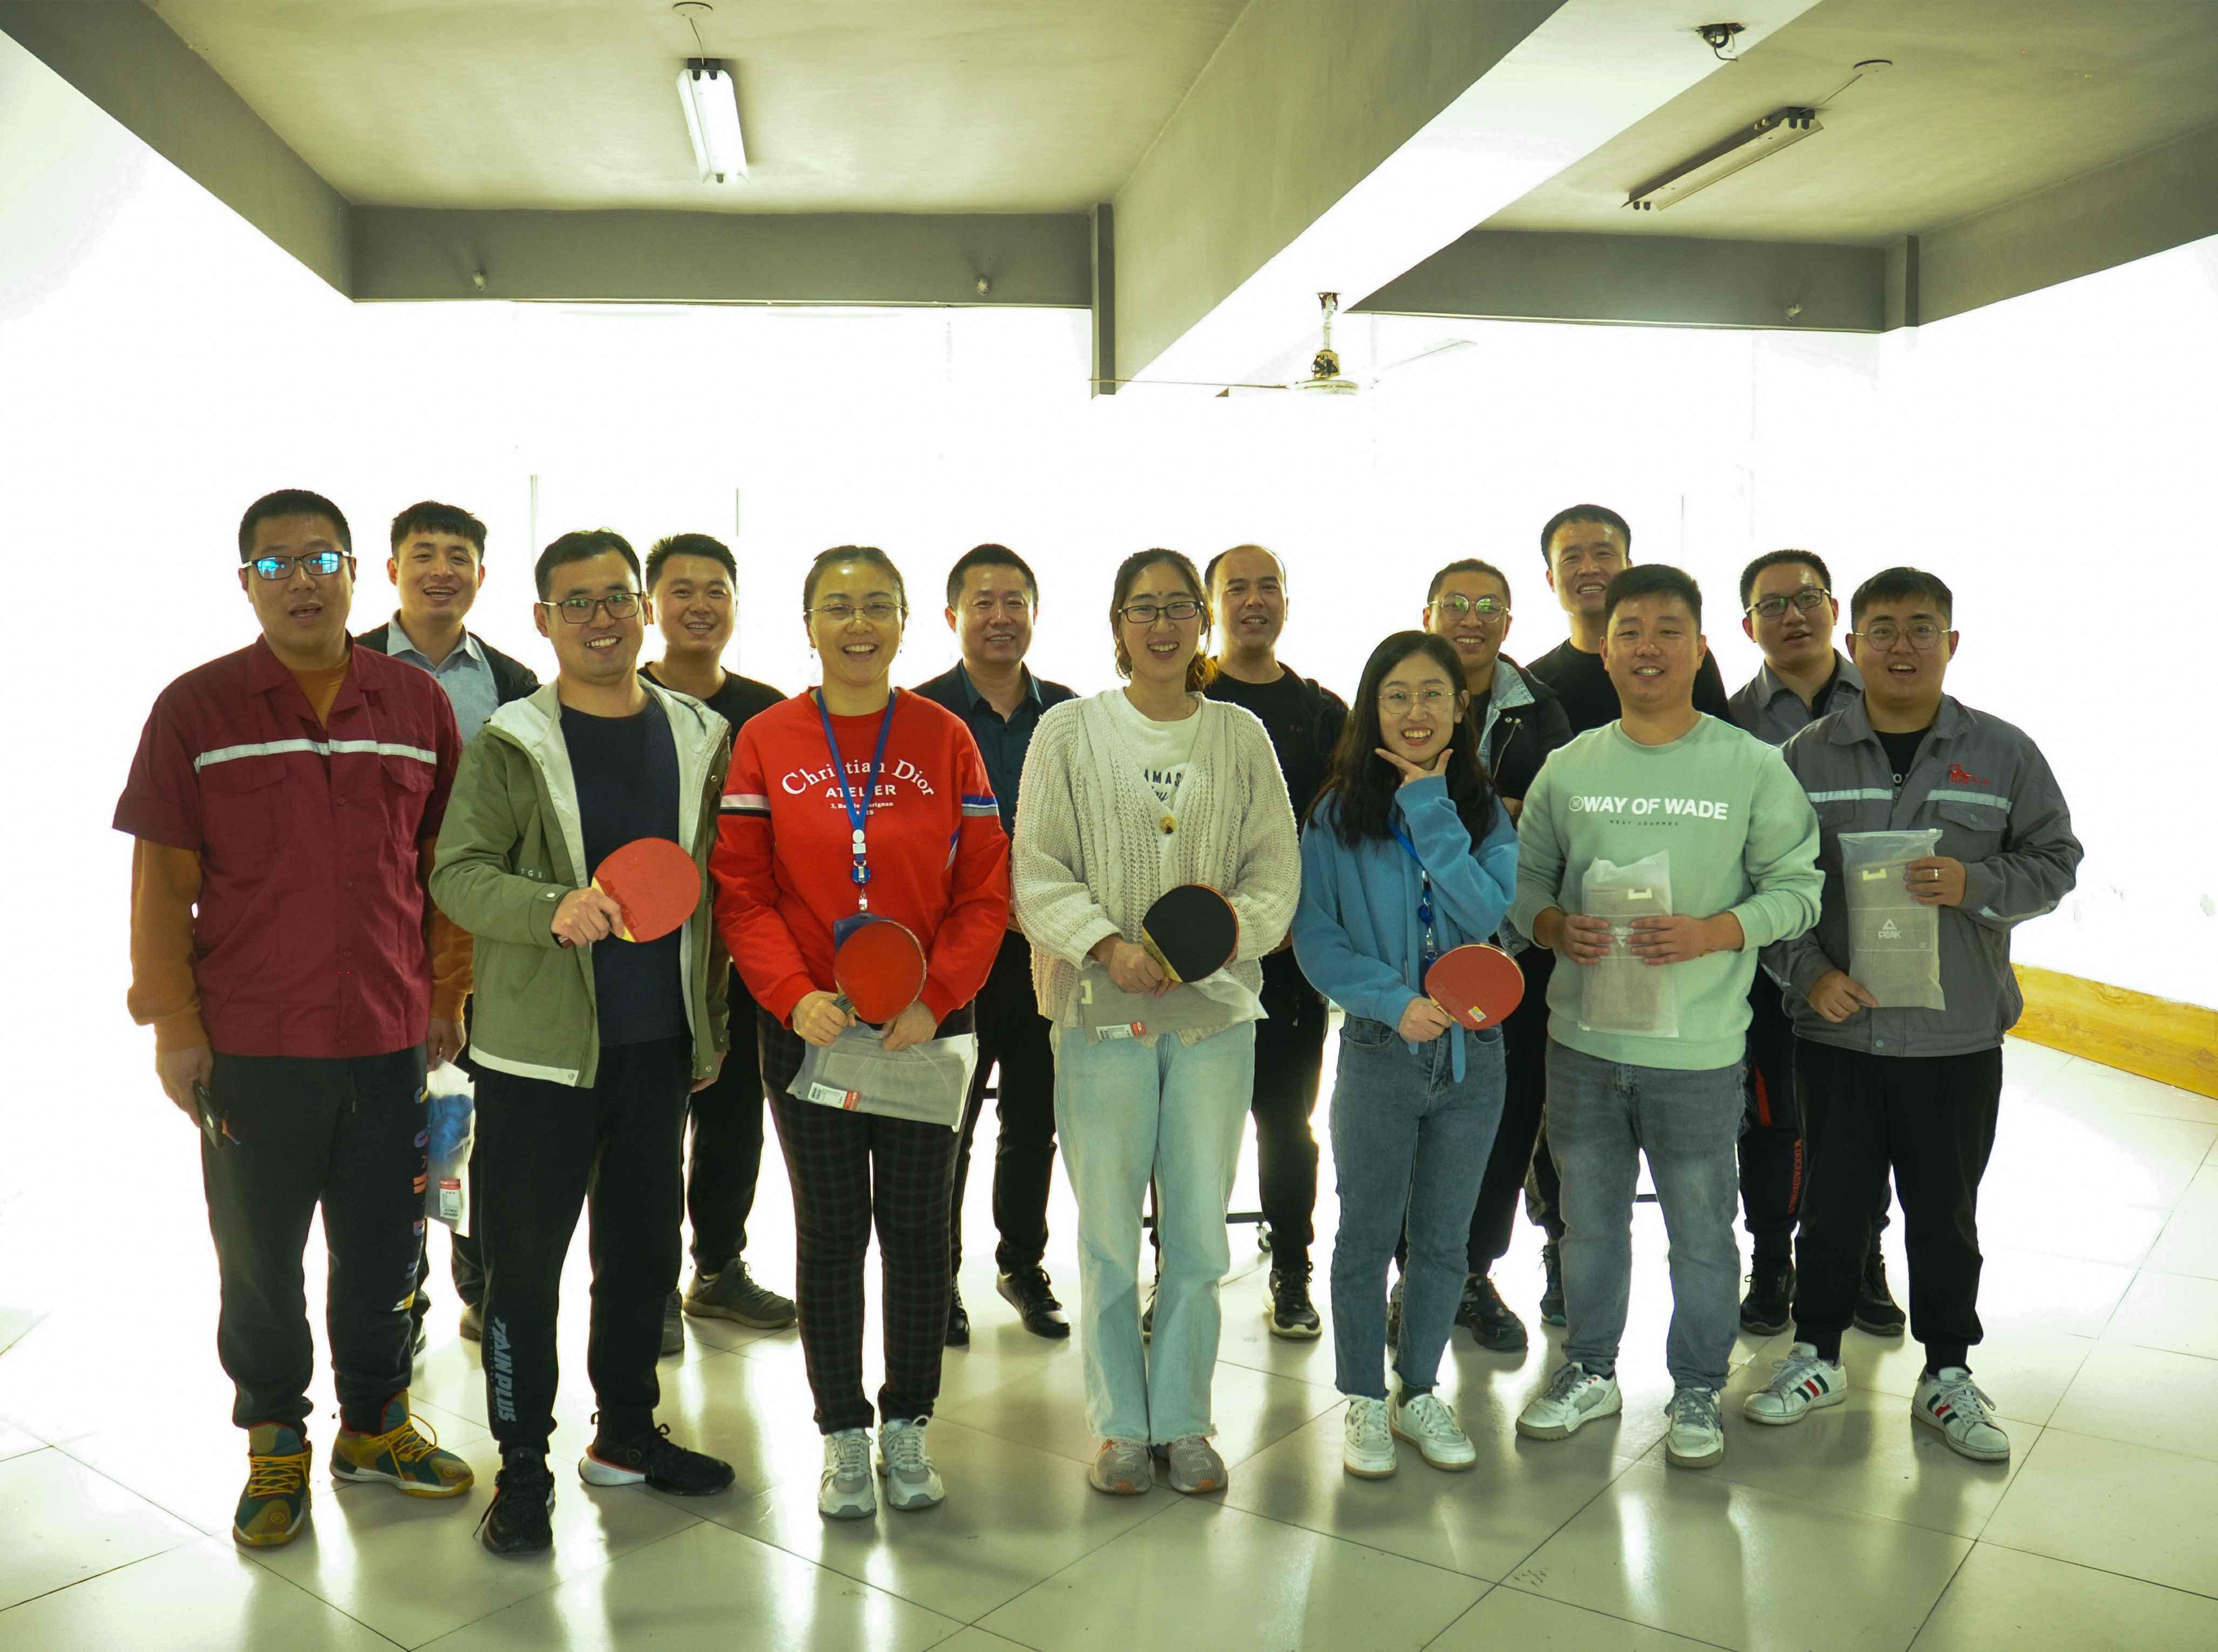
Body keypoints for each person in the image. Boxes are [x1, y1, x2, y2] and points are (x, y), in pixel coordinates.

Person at [115, 488, 474, 1551]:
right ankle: (276, 1438)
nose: (302, 581)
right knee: (259, 1259)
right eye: (276, 565)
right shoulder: (198, 708)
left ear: (356, 572)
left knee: (387, 1247)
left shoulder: (414, 705)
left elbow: (445, 869)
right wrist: (173, 1026)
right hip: (254, 1044)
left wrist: (446, 992)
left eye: (321, 559)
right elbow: (160, 888)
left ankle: (375, 1422)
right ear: (246, 584)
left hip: (388, 1034)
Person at [431, 529, 738, 1556]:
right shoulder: (511, 738)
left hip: (659, 1046)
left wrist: (709, 1022)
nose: (601, 619)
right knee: (522, 1271)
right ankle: (522, 1464)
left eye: (616, 598)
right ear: (542, 619)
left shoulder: (699, 733)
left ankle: (627, 1434)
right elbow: (457, 874)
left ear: (643, 609)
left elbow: (713, 893)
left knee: (643, 1255)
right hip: (538, 1058)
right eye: (577, 603)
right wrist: (550, 906)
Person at [1744, 567, 2081, 1462]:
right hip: (1837, 1030)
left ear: (1950, 643)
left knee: (1944, 1212)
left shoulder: (2003, 752)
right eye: (1882, 629)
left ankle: (1946, 1373)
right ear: (1852, 645)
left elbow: (2055, 860)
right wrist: (1808, 974)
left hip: (1953, 1035)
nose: (1901, 645)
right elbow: (1766, 884)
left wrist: (1976, 882)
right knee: (1830, 1206)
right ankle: (1816, 1356)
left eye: (1921, 628)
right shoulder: (1802, 758)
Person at [712, 545, 1009, 1521]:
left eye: (877, 604)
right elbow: (741, 889)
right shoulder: (766, 739)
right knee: (832, 1232)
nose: (858, 623)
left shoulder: (943, 736)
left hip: (926, 1028)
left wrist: (939, 994)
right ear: (807, 625)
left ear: (904, 621)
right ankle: (842, 1429)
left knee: (920, 1231)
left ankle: (908, 1419)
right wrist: (792, 993)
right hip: (812, 1028)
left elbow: (985, 889)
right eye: (837, 607)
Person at [1510, 565, 1820, 1472]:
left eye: (1667, 629)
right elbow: (1523, 889)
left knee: (1700, 1232)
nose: (1647, 647)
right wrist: (1553, 925)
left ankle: (1695, 1385)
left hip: (1697, 1051)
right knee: (1588, 1225)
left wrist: (1711, 931)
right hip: (1582, 1045)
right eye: (1629, 631)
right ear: (1604, 652)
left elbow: (1799, 890)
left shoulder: (1750, 765)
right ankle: (1590, 1368)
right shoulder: (1570, 767)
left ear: (1699, 647)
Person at [1011, 549, 1300, 1498]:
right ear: (1117, 624)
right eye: (1144, 608)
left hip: (1212, 1018)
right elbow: (1036, 869)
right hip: (1100, 1012)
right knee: (1106, 1230)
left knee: (1199, 1229)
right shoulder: (1067, 731)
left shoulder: (1240, 734)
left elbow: (1275, 871)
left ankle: (1182, 1417)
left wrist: (1214, 943)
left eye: (1180, 606)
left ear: (1200, 624)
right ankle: (1118, 1428)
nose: (1163, 624)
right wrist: (1105, 945)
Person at [1292, 631, 1518, 1479]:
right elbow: (1316, 936)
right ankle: (1361, 1396)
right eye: (1396, 694)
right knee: (1364, 1234)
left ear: (1459, 707)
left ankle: (1417, 1388)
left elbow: (1486, 911)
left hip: (1473, 1057)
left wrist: (1430, 805)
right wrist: (1392, 1000)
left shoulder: (1481, 809)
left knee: (1443, 1241)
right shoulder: (1334, 813)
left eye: (1432, 694)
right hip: (1379, 1050)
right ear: (1371, 707)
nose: (1415, 710)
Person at [1521, 504, 1736, 1329]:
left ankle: (1701, 1350)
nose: (1588, 565)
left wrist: (1710, 919)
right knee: (1575, 1148)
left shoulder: (1697, 687)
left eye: (1602, 551)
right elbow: (1534, 846)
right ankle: (1564, 1264)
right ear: (1550, 577)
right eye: (1570, 555)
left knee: (1695, 1181)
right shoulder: (1538, 687)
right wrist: (1550, 920)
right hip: (1576, 957)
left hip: (1685, 965)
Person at [356, 499, 541, 1352]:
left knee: (473, 1119)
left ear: (479, 573)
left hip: (482, 931)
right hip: (376, 929)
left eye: (458, 555)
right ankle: (402, 1299)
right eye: (423, 553)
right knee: (387, 1127)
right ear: (392, 569)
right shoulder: (348, 663)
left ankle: (481, 1285)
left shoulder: (512, 682)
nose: (441, 569)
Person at [1726, 549, 1902, 1341]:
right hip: (1769, 955)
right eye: (1771, 605)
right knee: (1772, 1117)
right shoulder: (1728, 720)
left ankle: (1863, 1256)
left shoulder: (1891, 695)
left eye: (1807, 598)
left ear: (1834, 609)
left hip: (1874, 948)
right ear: (1748, 626)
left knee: (1869, 1112)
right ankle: (1771, 1259)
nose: (1792, 615)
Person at [638, 533, 798, 1351]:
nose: (699, 605)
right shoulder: (620, 696)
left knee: (736, 1117)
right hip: (645, 952)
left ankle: (719, 1269)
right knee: (649, 1124)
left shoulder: (769, 710)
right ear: (650, 604)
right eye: (681, 590)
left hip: (742, 951)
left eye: (716, 591)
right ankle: (650, 1284)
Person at [914, 544, 1077, 1345]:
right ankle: (936, 1277)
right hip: (953, 954)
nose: (1000, 617)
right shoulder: (918, 714)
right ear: (953, 616)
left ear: (1034, 614)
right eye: (983, 602)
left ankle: (1022, 1265)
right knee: (946, 1124)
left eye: (1015, 601)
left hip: (1047, 954)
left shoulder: (1071, 714)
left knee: (1033, 1116)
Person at [1409, 558, 1572, 1352]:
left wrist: (1500, 817)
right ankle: (1411, 1274)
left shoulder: (1542, 709)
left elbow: (1560, 820)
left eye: (1488, 605)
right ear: (1428, 613)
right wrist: (1489, 813)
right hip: (1410, 948)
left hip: (1512, 950)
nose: (1470, 617)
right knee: (1411, 1113)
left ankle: (1473, 1271)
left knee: (1506, 1119)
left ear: (1510, 620)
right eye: (1455, 603)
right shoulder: (1399, 692)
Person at [1200, 543, 1348, 1339]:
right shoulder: (1185, 699)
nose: (1253, 601)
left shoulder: (1322, 712)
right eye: (1237, 588)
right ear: (1211, 604)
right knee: (1189, 1127)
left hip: (1290, 957)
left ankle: (1292, 1268)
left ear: (1287, 601)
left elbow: (1340, 834)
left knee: (1286, 1123)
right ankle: (1179, 1267)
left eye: (1268, 587)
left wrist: (1302, 918)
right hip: (1193, 957)